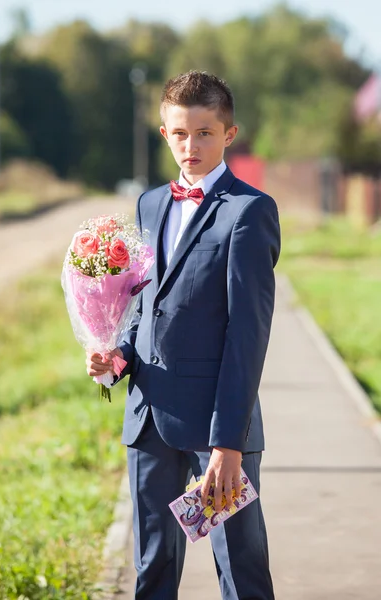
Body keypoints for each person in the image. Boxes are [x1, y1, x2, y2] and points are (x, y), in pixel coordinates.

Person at [86, 70, 280, 600]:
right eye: (178, 133)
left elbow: (248, 336)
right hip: (148, 419)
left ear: (229, 134)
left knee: (239, 570)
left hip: (214, 430)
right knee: (152, 568)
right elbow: (144, 307)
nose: (189, 146)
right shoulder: (150, 204)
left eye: (204, 133)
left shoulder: (249, 212)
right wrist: (117, 357)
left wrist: (228, 444)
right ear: (163, 131)